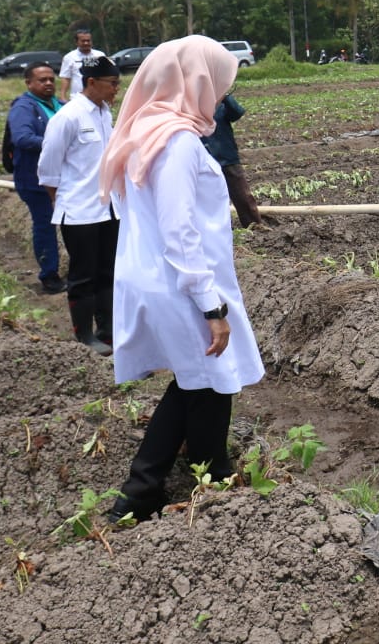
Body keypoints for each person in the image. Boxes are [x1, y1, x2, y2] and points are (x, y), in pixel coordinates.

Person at [100, 35, 265, 522]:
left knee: (199, 382)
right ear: (195, 81)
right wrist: (211, 306)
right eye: (216, 84)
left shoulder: (142, 131)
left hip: (154, 277)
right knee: (213, 378)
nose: (218, 96)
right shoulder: (176, 143)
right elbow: (180, 231)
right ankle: (199, 482)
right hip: (181, 281)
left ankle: (151, 489)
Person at [37, 57, 121, 355]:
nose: (116, 90)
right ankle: (84, 335)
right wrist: (60, 199)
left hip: (109, 208)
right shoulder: (69, 116)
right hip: (79, 212)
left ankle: (108, 330)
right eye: (112, 84)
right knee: (83, 276)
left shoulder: (105, 113)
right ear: (91, 83)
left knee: (108, 271)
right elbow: (48, 168)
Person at [7, 62, 66, 293]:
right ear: (29, 83)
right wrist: (57, 145)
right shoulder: (24, 107)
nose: (49, 83)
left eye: (51, 79)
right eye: (42, 80)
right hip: (35, 180)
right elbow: (22, 138)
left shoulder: (59, 104)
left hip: (61, 177)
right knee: (45, 225)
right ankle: (49, 276)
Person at [201, 93, 263, 227]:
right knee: (210, 198)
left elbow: (236, 113)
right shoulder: (187, 100)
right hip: (203, 158)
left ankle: (255, 226)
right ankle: (216, 229)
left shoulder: (219, 97)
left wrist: (224, 95)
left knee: (242, 196)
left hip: (226, 154)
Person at [58, 28, 107, 102]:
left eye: (88, 40)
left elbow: (106, 76)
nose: (86, 43)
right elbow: (66, 78)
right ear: (76, 42)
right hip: (77, 98)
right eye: (83, 41)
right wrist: (63, 96)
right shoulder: (69, 57)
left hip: (98, 97)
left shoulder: (100, 55)